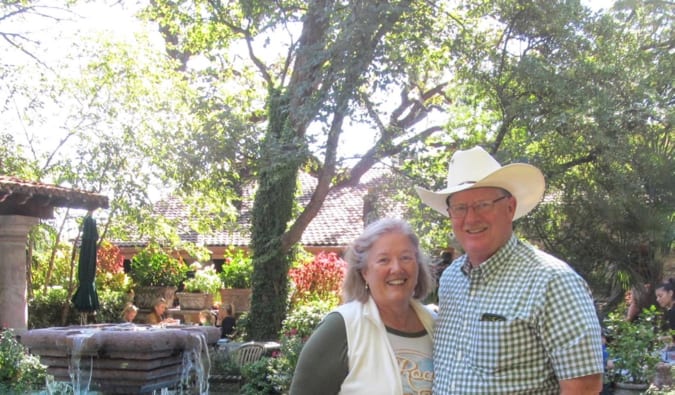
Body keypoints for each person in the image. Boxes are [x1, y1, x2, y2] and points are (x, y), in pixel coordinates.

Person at [415, 146, 604, 394]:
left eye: (483, 204)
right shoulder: (452, 278)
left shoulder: (553, 281)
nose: (470, 219)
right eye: (460, 208)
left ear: (510, 207)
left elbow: (585, 387)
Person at [289, 218, 436, 394]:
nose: (396, 268)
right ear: (364, 272)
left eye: (406, 258)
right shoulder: (341, 327)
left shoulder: (436, 326)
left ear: (418, 266)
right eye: (384, 260)